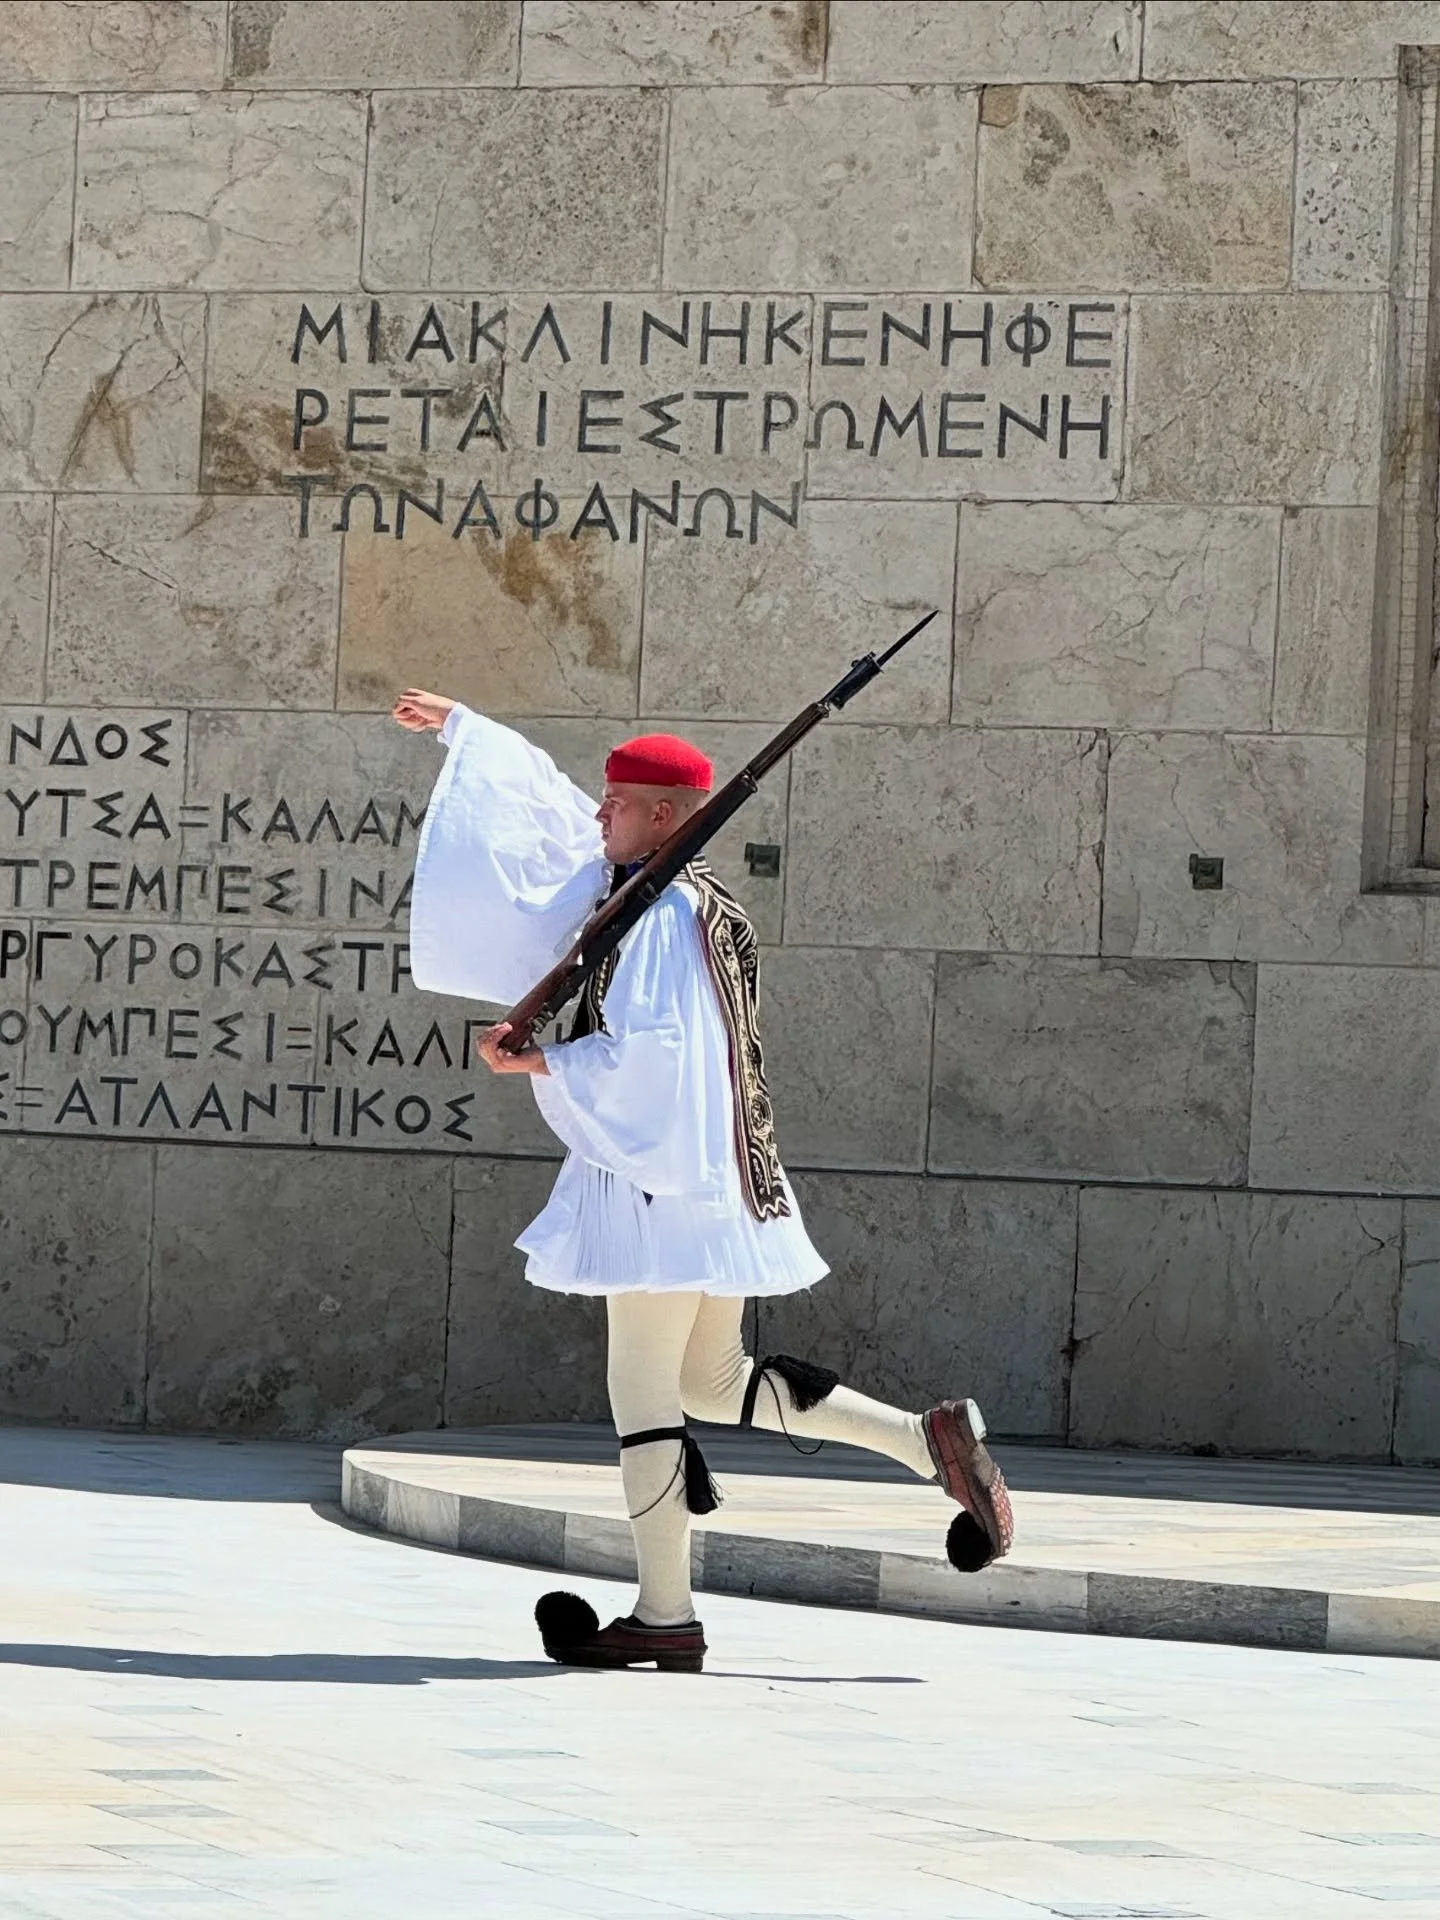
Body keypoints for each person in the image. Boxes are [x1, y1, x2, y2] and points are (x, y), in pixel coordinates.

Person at [392, 687, 1014, 1673]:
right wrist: (469, 730)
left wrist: (540, 1063)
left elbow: (660, 1057)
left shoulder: (664, 918)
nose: (599, 815)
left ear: (667, 817)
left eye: (619, 802)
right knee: (709, 1380)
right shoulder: (666, 897)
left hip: (660, 1184)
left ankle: (665, 1612)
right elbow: (549, 822)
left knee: (644, 1392)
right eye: (603, 800)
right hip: (700, 1180)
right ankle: (926, 1441)